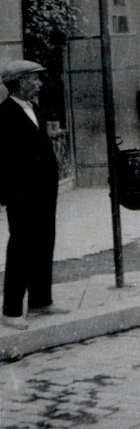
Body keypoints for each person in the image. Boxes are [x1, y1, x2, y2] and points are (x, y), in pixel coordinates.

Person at [0, 60, 68, 329]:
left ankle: (41, 301)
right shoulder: (5, 114)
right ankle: (11, 310)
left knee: (44, 241)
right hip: (22, 193)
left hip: (44, 190)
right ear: (19, 82)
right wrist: (9, 192)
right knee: (21, 246)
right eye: (34, 79)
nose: (39, 84)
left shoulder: (34, 108)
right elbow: (2, 159)